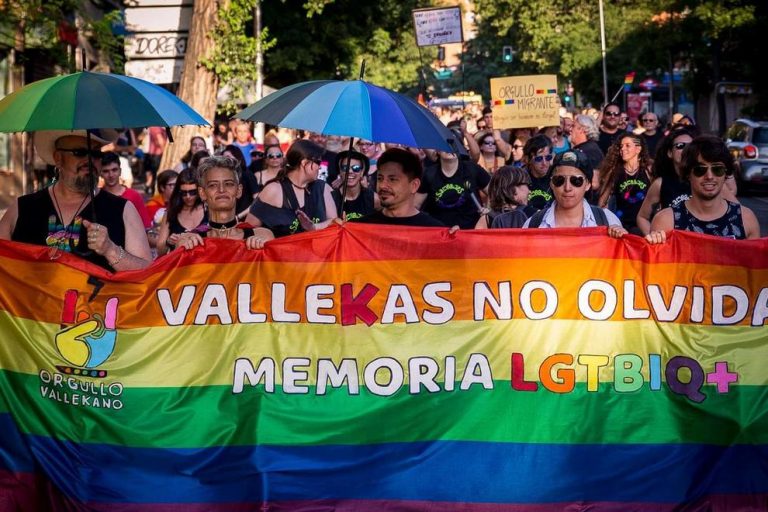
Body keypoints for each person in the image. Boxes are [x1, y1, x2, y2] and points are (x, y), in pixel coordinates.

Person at [0, 130, 152, 270]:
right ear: (58, 158)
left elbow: (147, 273)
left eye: (96, 153)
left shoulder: (122, 209)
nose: (90, 160)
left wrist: (110, 250)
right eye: (80, 152)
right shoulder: (23, 208)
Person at [647, 135, 760, 242]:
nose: (709, 176)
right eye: (700, 170)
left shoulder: (746, 219)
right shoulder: (666, 221)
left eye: (717, 169)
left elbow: (755, 261)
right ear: (688, 174)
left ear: (726, 173)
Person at [174, 156, 274, 251]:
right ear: (202, 193)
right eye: (213, 185)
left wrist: (265, 249)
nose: (221, 190)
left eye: (228, 184)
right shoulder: (191, 242)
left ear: (239, 190)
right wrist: (180, 248)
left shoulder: (262, 236)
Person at [523, 150, 625, 238]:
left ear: (588, 184)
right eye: (559, 180)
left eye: (576, 180)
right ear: (551, 184)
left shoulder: (607, 220)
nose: (567, 188)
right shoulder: (533, 224)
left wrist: (623, 239)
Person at [245, 139, 338, 237]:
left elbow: (335, 222)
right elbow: (248, 229)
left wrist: (313, 227)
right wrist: (266, 237)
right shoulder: (274, 190)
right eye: (318, 162)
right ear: (304, 162)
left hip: (318, 251)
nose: (319, 167)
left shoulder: (321, 187)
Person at [355, 148, 444, 227]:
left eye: (392, 179)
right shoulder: (362, 227)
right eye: (380, 178)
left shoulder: (433, 231)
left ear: (414, 185)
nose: (382, 185)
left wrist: (454, 238)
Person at [635, 127, 696, 235]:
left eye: (691, 146)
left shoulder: (706, 178)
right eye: (680, 146)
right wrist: (653, 238)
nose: (686, 150)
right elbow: (642, 217)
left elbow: (734, 208)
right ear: (670, 153)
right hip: (672, 246)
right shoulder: (660, 184)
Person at [415, 147, 491, 229]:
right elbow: (416, 205)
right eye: (444, 145)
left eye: (452, 145)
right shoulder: (429, 174)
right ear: (437, 150)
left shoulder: (472, 169)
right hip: (439, 233)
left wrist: (488, 210)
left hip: (470, 232)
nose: (449, 148)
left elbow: (494, 193)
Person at [597, 134, 653, 234]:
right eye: (621, 146)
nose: (622, 149)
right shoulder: (615, 171)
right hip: (621, 227)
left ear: (638, 149)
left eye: (627, 145)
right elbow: (602, 202)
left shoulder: (648, 170)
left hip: (645, 226)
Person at [156, 169, 208, 255]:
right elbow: (160, 251)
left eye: (193, 192)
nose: (188, 196)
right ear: (178, 192)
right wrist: (169, 242)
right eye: (183, 193)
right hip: (179, 265)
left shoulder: (209, 210)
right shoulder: (171, 212)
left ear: (200, 191)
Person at [99, 151, 152, 231]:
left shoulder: (134, 195)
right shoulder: (97, 196)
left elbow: (146, 227)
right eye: (106, 171)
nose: (111, 175)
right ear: (100, 173)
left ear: (120, 171)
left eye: (114, 170)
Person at [332, 150, 379, 221]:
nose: (350, 171)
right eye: (345, 168)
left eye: (356, 168)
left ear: (362, 172)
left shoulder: (374, 199)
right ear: (340, 172)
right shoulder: (331, 199)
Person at [522, 134, 554, 213]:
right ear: (528, 159)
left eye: (548, 157)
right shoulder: (521, 178)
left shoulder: (556, 176)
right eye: (539, 158)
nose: (544, 163)